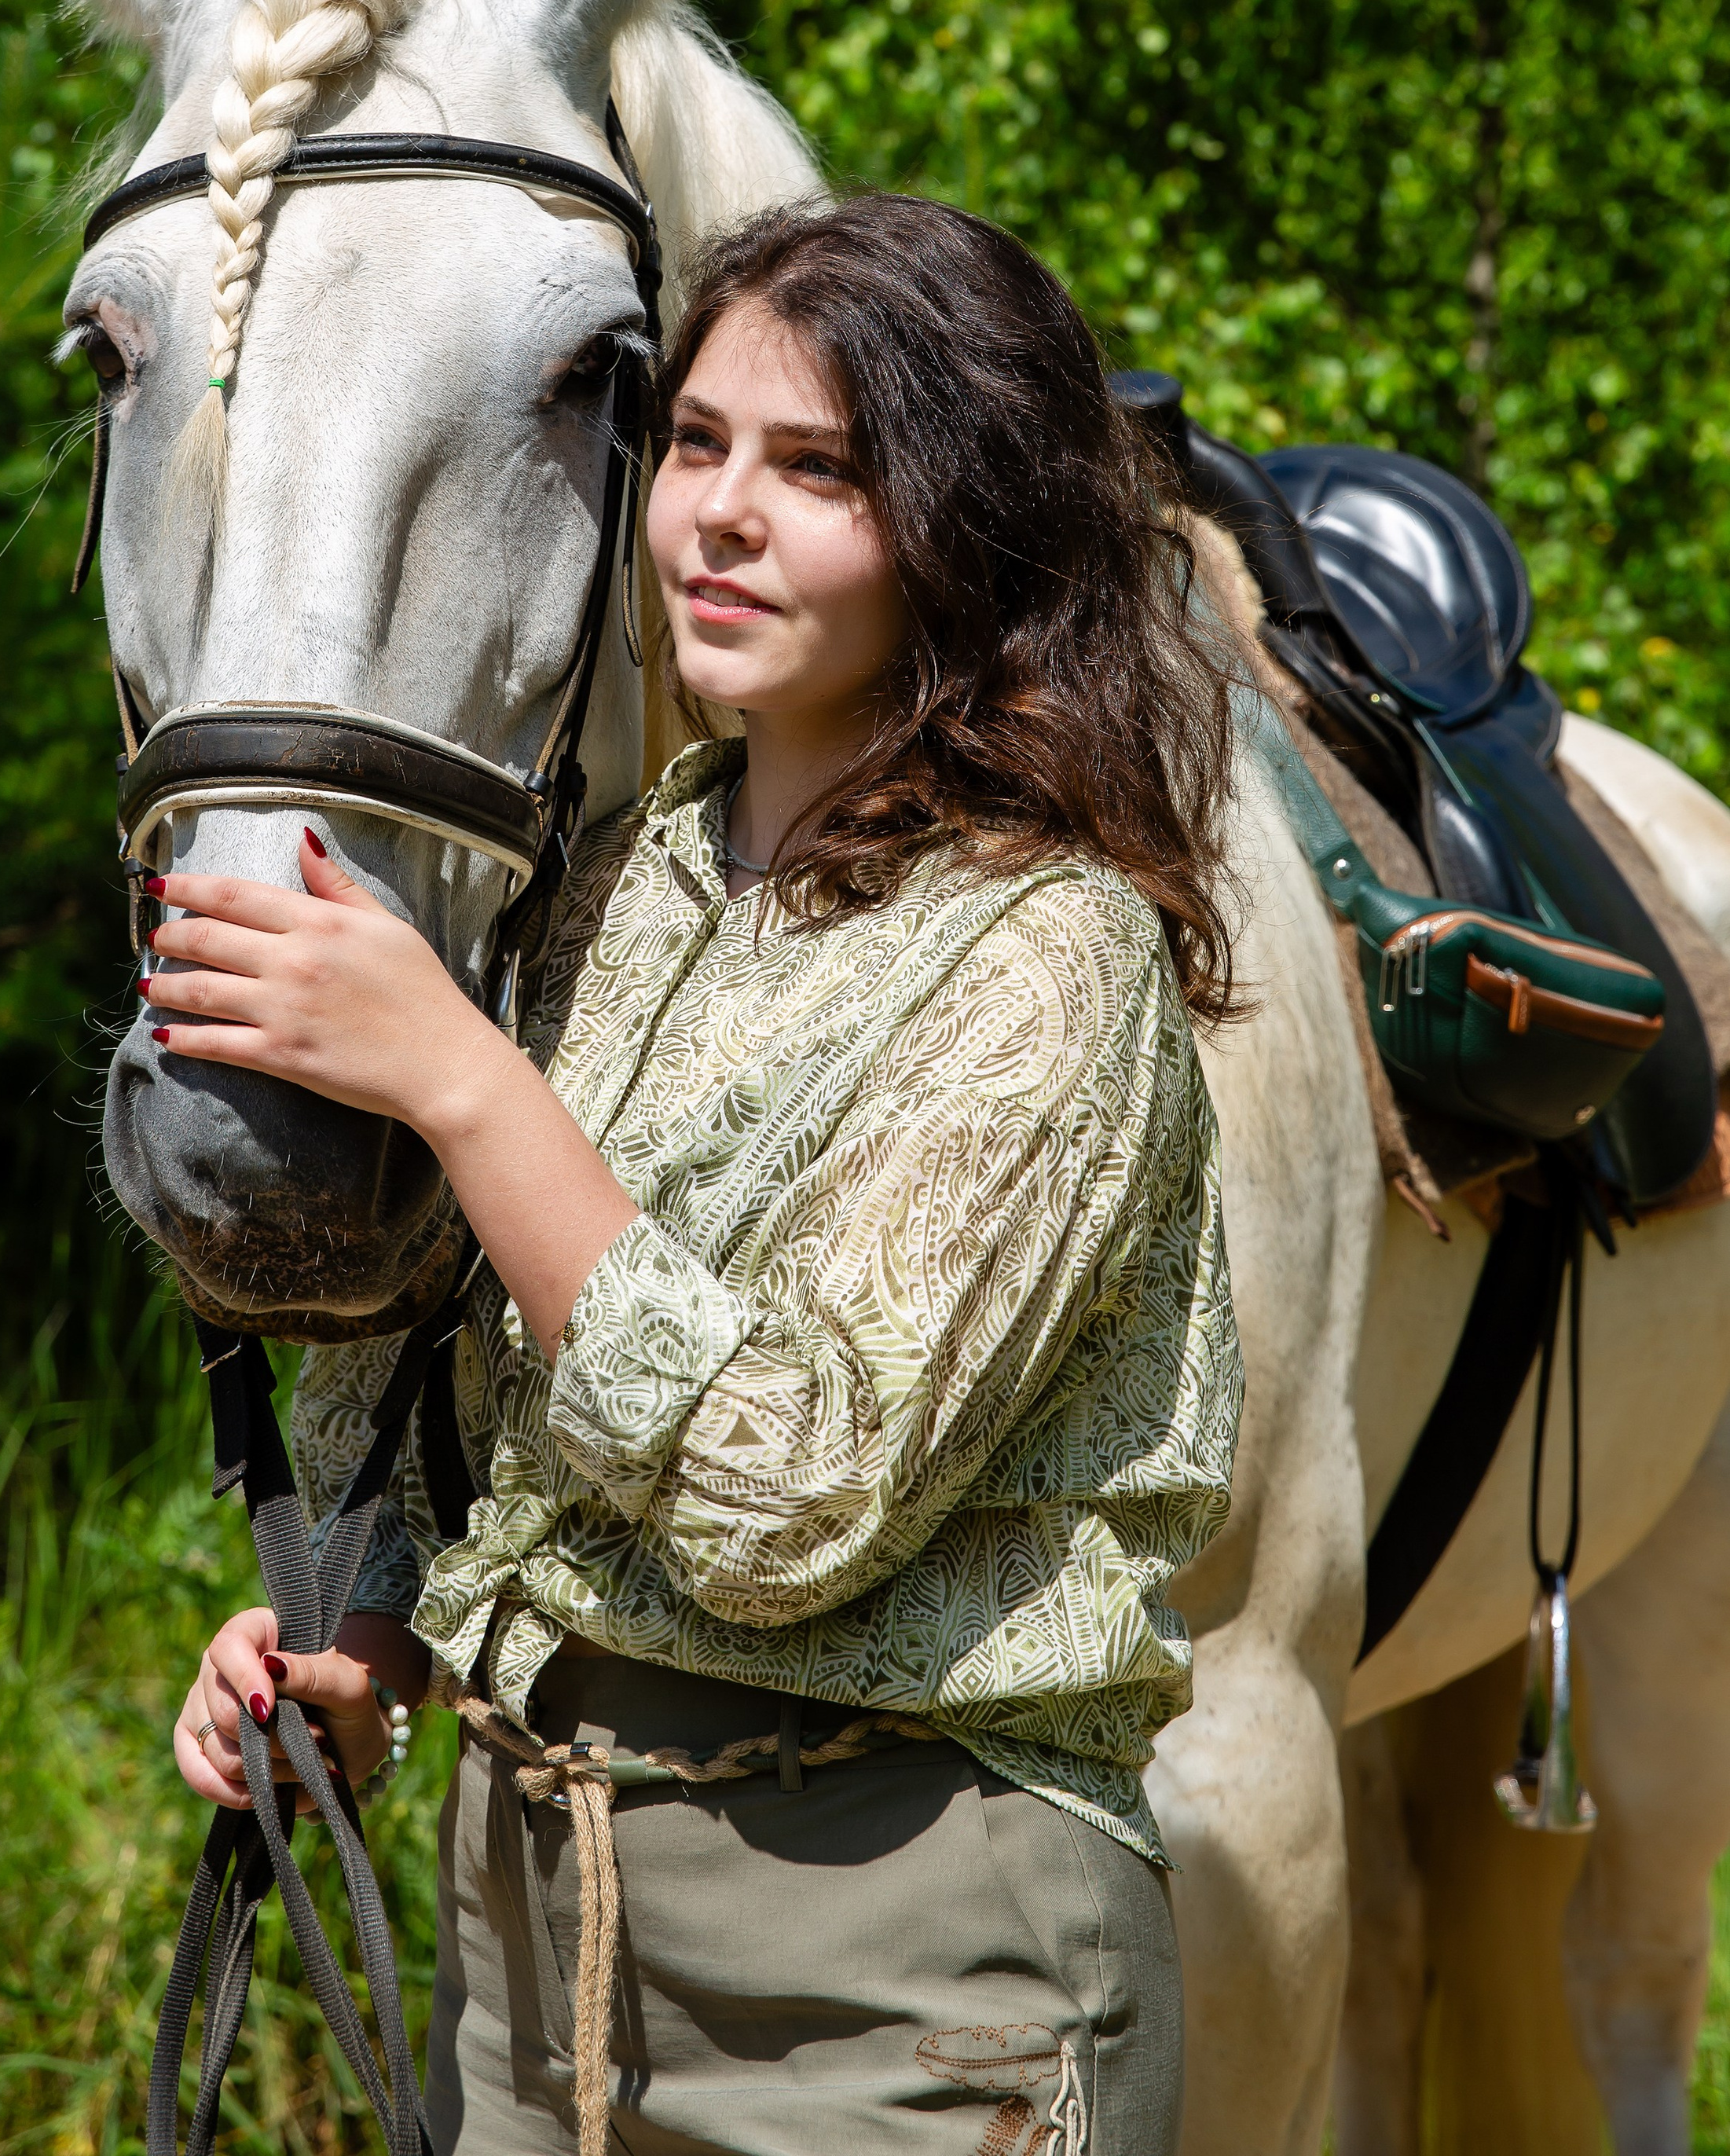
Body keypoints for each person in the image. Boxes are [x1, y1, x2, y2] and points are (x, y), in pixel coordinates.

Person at [148, 193, 1244, 2156]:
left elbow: (786, 1495)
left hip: (908, 1995)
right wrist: (361, 1659)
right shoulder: (611, 888)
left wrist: (468, 1090)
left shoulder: (1046, 955)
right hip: (528, 1963)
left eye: (820, 468)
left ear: (965, 529)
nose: (719, 514)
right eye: (701, 444)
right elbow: (470, 1403)